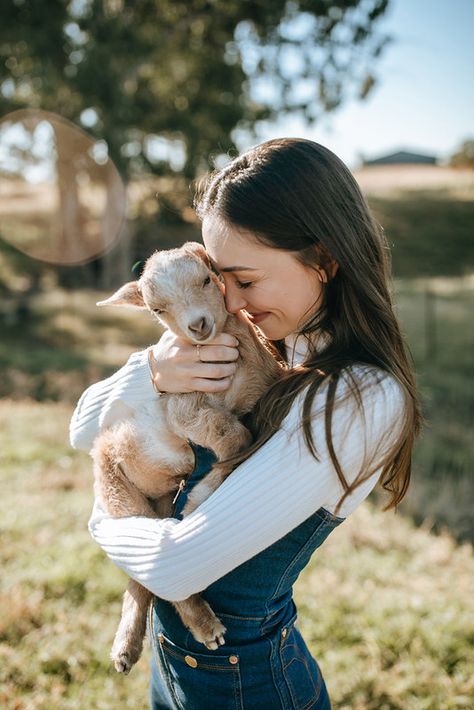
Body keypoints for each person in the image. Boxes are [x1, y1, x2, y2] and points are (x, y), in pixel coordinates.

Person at [70, 138, 420, 709]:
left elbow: (176, 566)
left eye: (245, 280)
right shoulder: (269, 339)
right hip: (177, 664)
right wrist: (151, 371)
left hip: (248, 684)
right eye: (218, 277)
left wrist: (102, 521)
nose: (227, 301)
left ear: (324, 260)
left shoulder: (360, 398)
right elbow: (82, 431)